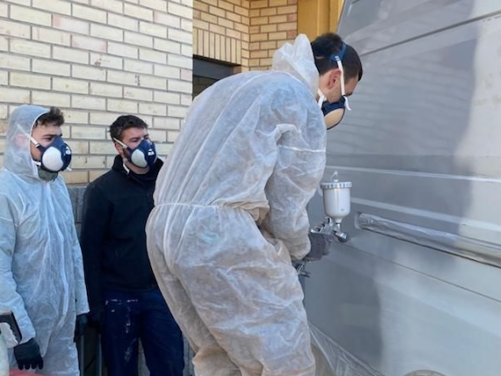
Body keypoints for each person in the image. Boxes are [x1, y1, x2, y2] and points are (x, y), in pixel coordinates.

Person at [145, 32, 363, 375]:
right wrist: (302, 245)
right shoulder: (298, 101)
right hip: (220, 238)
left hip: (163, 229)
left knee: (218, 353)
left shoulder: (232, 86)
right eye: (344, 96)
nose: (338, 105)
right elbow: (287, 204)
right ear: (334, 77)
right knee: (284, 359)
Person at [80, 115, 184, 376]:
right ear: (119, 147)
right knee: (120, 368)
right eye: (135, 140)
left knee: (170, 365)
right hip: (118, 296)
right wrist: (94, 303)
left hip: (161, 292)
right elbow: (89, 249)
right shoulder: (103, 190)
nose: (145, 145)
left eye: (146, 138)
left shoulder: (168, 183)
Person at [0, 105, 89, 375]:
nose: (59, 146)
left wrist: (79, 307)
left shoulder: (56, 184)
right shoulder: (6, 190)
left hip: (61, 325)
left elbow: (72, 249)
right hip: (22, 332)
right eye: (49, 139)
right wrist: (19, 335)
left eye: (59, 137)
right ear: (20, 139)